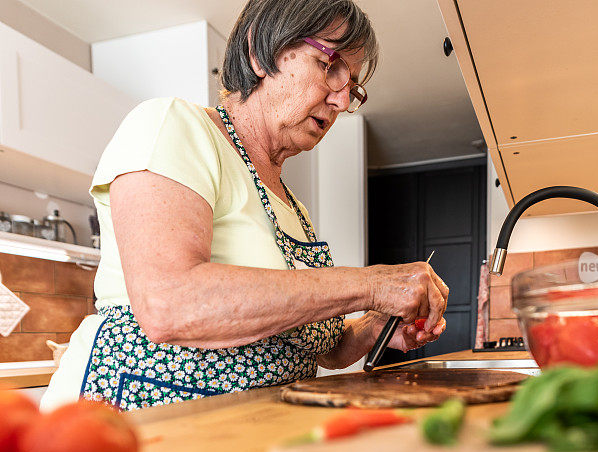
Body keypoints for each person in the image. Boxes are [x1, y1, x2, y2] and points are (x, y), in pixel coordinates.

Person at [41, 0, 448, 411]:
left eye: (353, 87)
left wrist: (373, 327)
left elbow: (319, 349)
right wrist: (372, 285)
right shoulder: (173, 124)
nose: (342, 101)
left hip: (243, 430)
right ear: (260, 54)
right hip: (137, 424)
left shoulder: (293, 208)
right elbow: (170, 305)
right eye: (332, 66)